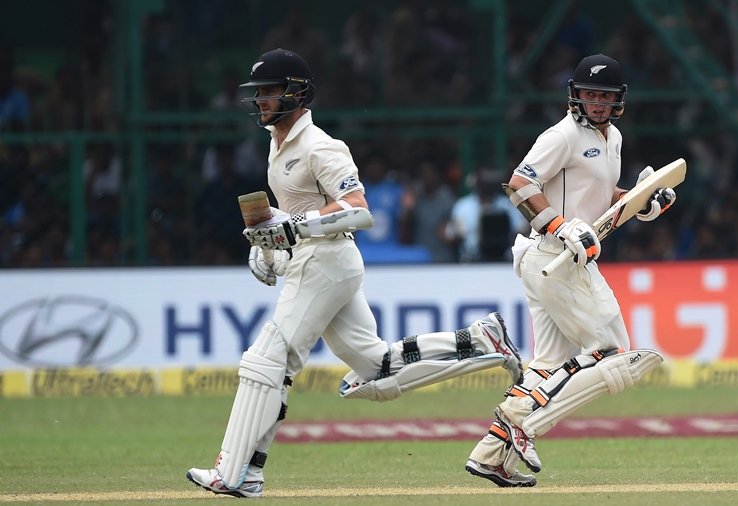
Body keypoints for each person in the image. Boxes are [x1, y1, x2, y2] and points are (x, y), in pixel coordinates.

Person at [186, 48, 527, 498]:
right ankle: (481, 340)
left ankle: (236, 473)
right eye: (259, 94)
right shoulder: (277, 144)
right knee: (377, 369)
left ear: (296, 92)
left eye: (269, 92)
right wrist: (268, 243)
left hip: (327, 261)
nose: (261, 101)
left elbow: (358, 210)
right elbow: (296, 214)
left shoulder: (321, 145)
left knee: (268, 359)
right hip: (316, 260)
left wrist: (293, 227)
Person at [464, 54, 674, 487]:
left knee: (549, 364)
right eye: (590, 95)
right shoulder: (561, 135)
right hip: (557, 258)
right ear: (575, 95)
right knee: (613, 352)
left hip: (554, 260)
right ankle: (527, 425)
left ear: (618, 101)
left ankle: (490, 455)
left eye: (605, 96)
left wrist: (639, 200)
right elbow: (521, 186)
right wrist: (561, 227)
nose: (597, 103)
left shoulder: (612, 137)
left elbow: (598, 193)